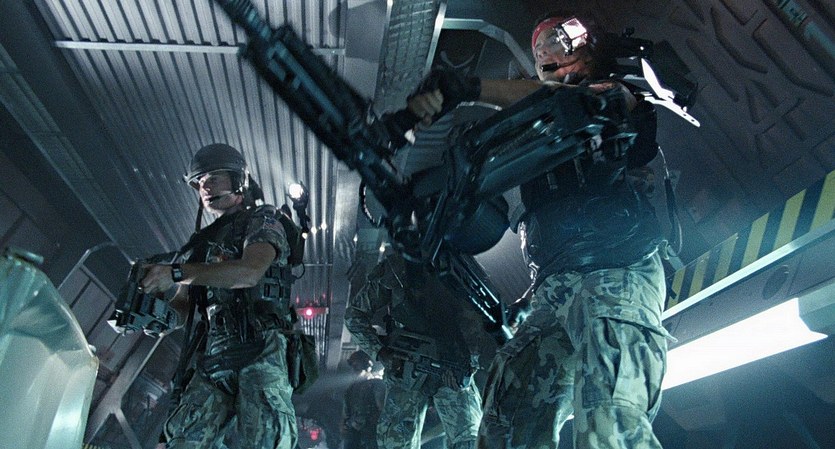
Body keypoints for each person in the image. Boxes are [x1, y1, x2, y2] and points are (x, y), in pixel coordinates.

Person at [407, 10, 670, 449]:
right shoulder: (537, 130)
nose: (551, 53)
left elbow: (566, 100)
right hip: (553, 290)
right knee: (506, 424)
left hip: (617, 271)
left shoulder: (613, 94)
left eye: (560, 43)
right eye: (543, 48)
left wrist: (468, 88)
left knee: (611, 425)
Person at [139, 143, 298, 449]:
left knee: (267, 441)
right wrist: (154, 313)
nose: (205, 188)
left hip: (261, 349)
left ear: (239, 180)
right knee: (182, 441)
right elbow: (182, 309)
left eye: (213, 177)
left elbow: (249, 272)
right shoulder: (201, 245)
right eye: (199, 182)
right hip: (215, 355)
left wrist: (176, 272)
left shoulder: (264, 219)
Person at [345, 251, 485, 449]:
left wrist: (470, 363)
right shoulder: (398, 266)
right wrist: (382, 352)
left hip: (453, 364)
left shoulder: (460, 262)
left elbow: (480, 316)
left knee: (470, 439)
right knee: (397, 442)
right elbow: (354, 316)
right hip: (407, 365)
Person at [342, 350, 386, 449]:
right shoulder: (351, 388)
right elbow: (345, 413)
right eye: (352, 366)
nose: (354, 369)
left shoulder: (376, 385)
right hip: (353, 432)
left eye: (356, 366)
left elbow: (382, 411)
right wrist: (345, 425)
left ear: (367, 366)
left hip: (370, 434)